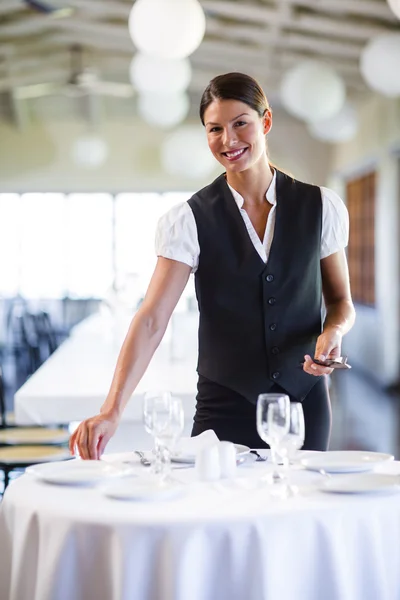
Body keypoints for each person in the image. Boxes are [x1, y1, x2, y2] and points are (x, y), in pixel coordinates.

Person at [70, 72, 355, 460]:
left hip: (302, 405)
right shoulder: (188, 219)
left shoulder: (321, 206)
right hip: (225, 406)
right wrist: (112, 410)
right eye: (214, 129)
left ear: (265, 121)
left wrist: (333, 331)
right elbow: (152, 318)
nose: (228, 140)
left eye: (241, 124)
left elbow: (341, 301)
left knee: (295, 512)